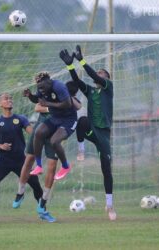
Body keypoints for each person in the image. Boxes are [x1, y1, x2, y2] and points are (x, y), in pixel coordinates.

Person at [59, 45, 116, 221]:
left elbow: (90, 74)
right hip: (91, 129)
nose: (98, 74)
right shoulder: (90, 91)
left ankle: (109, 204)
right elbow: (77, 80)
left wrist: (82, 60)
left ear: (106, 78)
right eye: (97, 72)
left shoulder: (108, 88)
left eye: (101, 73)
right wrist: (70, 65)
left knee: (106, 169)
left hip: (103, 135)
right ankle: (81, 148)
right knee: (82, 120)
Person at [13, 80, 82, 223]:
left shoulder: (63, 96)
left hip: (56, 129)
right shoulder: (47, 92)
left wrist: (55, 107)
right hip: (42, 126)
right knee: (28, 160)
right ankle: (20, 192)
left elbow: (76, 105)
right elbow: (37, 107)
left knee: (51, 167)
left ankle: (43, 204)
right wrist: (51, 106)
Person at [0, 93, 43, 224]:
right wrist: (0, 146)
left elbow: (33, 133)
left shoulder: (21, 119)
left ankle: (43, 211)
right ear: (0, 104)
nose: (9, 100)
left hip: (21, 161)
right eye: (6, 99)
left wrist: (42, 132)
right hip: (3, 161)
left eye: (10, 98)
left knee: (36, 185)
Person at [24, 72, 77, 180]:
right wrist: (30, 96)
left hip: (68, 120)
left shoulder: (59, 86)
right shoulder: (41, 86)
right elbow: (37, 100)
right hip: (55, 118)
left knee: (54, 141)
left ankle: (65, 166)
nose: (41, 90)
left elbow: (68, 104)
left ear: (49, 81)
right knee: (38, 132)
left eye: (43, 88)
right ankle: (38, 166)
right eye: (39, 88)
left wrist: (48, 104)